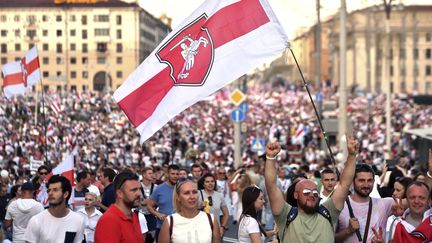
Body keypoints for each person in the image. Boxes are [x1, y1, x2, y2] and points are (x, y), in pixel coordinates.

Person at [265, 135, 359, 242]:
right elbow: (271, 187)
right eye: (306, 192)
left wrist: (351, 156)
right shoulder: (285, 215)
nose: (311, 195)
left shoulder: (329, 211)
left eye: (315, 193)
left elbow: (344, 184)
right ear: (296, 195)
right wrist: (270, 158)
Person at [335, 162, 403, 243]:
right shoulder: (340, 206)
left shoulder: (385, 204)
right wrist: (348, 231)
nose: (366, 185)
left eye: (370, 180)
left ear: (374, 182)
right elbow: (329, 238)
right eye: (361, 180)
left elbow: (415, 202)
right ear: (353, 182)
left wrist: (402, 213)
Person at [24, 175, 85, 243]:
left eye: (55, 190)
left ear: (65, 194)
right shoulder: (36, 220)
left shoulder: (78, 220)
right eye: (49, 190)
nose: (50, 193)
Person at [158, 178, 220, 243]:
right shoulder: (170, 221)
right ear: (178, 197)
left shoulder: (211, 219)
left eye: (195, 192)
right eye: (186, 193)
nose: (192, 197)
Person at [94, 171, 145, 243]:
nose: (139, 193)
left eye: (140, 189)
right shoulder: (109, 221)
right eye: (134, 190)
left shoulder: (133, 216)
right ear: (119, 193)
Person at [147, 164, 179, 242]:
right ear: (167, 174)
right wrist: (158, 214)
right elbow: (149, 205)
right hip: (162, 227)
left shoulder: (181, 188)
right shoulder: (159, 188)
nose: (175, 176)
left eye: (177, 174)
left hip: (179, 227)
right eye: (172, 174)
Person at [140, 167, 158, 243]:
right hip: (140, 216)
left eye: (152, 173)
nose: (152, 175)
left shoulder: (156, 187)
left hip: (152, 215)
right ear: (144, 175)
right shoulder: (137, 186)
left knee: (152, 238)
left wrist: (147, 202)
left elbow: (158, 202)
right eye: (149, 173)